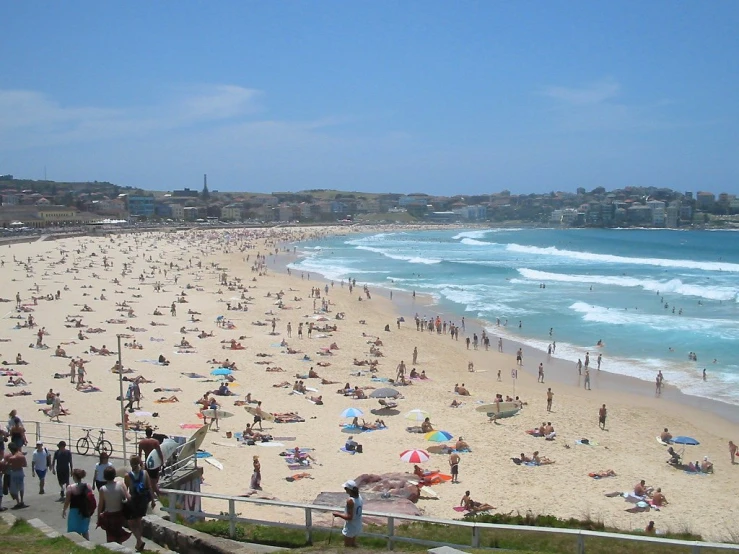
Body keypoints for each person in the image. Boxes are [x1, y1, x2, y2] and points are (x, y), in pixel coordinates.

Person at [124, 455, 155, 552]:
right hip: (143, 500)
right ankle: (138, 544)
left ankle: (139, 540)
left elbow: (126, 490)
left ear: (130, 463)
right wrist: (153, 500)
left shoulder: (128, 476)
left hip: (134, 500)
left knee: (131, 523)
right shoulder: (145, 473)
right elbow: (149, 487)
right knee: (139, 520)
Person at [97, 465, 132, 544]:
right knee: (118, 536)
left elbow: (100, 505)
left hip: (108, 515)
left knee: (110, 537)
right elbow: (128, 498)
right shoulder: (121, 485)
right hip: (119, 514)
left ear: (104, 476)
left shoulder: (103, 489)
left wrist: (98, 516)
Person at [332, 479, 364, 547]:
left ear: (349, 489)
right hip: (357, 524)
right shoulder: (359, 497)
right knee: (353, 544)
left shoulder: (350, 501)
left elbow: (349, 517)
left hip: (351, 526)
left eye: (346, 488)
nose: (345, 489)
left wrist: (338, 514)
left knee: (348, 546)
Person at [62, 468, 92, 539]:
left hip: (74, 512)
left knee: (73, 533)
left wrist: (64, 510)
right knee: (85, 531)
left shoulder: (70, 488)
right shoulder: (88, 486)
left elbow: (67, 501)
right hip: (85, 511)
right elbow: (91, 499)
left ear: (74, 477)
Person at [137, 427, 163, 497]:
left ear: (145, 433)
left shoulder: (142, 442)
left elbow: (139, 455)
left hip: (147, 463)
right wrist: (162, 461)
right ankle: (157, 494)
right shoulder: (155, 442)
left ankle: (154, 494)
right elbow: (159, 453)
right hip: (155, 462)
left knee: (149, 480)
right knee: (155, 480)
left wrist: (140, 464)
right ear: (151, 433)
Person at [6, 443, 27, 509]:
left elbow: (8, 466)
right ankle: (22, 500)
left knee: (14, 488)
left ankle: (18, 502)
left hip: (14, 472)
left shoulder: (11, 458)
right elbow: (25, 465)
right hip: (20, 471)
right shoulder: (22, 456)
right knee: (21, 486)